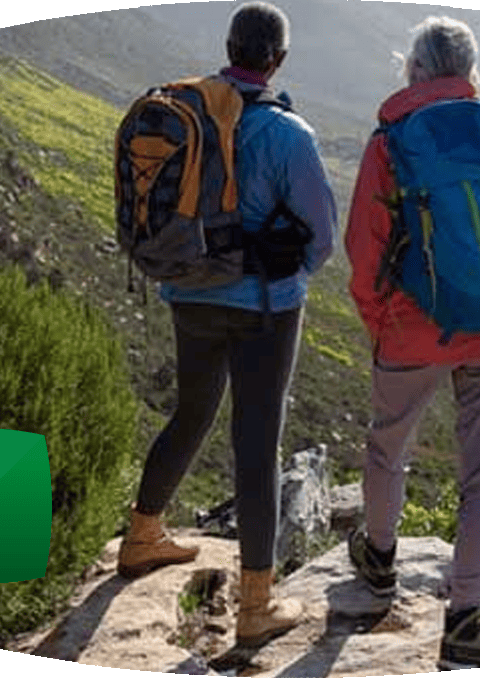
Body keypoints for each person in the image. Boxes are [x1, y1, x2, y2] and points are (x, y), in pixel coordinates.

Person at [116, 2, 337, 650]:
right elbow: (320, 238)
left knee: (191, 412)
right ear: (278, 60)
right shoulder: (289, 133)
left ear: (229, 47)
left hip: (187, 292)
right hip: (264, 306)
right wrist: (286, 272)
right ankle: (256, 606)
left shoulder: (187, 111)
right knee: (257, 441)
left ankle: (141, 534)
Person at [344, 16, 480, 670]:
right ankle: (464, 626)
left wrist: (382, 324)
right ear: (469, 71)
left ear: (413, 69)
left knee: (387, 447)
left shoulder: (389, 141)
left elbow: (362, 253)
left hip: (410, 329)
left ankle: (379, 565)